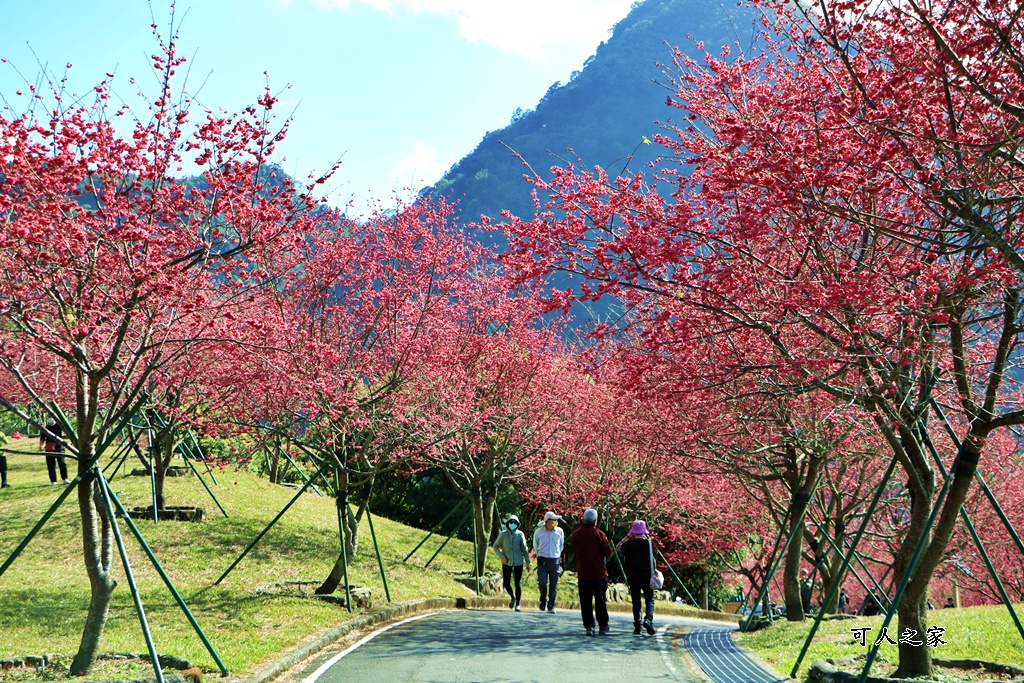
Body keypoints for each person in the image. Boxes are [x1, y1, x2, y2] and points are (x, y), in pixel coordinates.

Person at [570, 507, 613, 636]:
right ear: (595, 520)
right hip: (599, 572)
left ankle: (589, 626)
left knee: (586, 600)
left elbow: (574, 548)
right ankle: (603, 625)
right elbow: (608, 553)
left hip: (583, 572)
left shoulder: (575, 534)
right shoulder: (599, 534)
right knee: (600, 600)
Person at [617, 519, 657, 635]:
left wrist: (627, 537)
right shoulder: (650, 544)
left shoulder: (629, 544)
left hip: (633, 575)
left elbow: (619, 547)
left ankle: (637, 625)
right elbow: (655, 555)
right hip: (647, 575)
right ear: (645, 531)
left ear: (633, 531)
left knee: (636, 600)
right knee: (649, 599)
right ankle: (648, 620)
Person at [492, 514, 531, 611]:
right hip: (507, 561)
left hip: (518, 562)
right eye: (511, 522)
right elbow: (495, 546)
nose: (512, 524)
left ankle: (518, 603)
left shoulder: (520, 534)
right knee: (506, 583)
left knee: (518, 582)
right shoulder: (503, 534)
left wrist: (527, 562)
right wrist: (502, 556)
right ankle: (512, 596)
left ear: (517, 524)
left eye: (515, 523)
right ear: (508, 523)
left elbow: (524, 549)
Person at [533, 511, 565, 613]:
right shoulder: (538, 532)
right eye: (553, 520)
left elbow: (561, 545)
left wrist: (557, 555)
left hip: (554, 560)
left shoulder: (559, 531)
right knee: (542, 582)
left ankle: (551, 605)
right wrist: (539, 555)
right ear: (547, 521)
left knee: (553, 584)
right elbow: (535, 544)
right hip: (542, 560)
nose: (555, 522)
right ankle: (543, 599)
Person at [39, 419, 69, 485]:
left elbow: (64, 429)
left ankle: (65, 478)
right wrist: (40, 446)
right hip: (49, 447)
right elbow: (42, 438)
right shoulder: (46, 428)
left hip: (58, 446)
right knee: (50, 465)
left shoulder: (58, 426)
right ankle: (53, 481)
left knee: (62, 463)